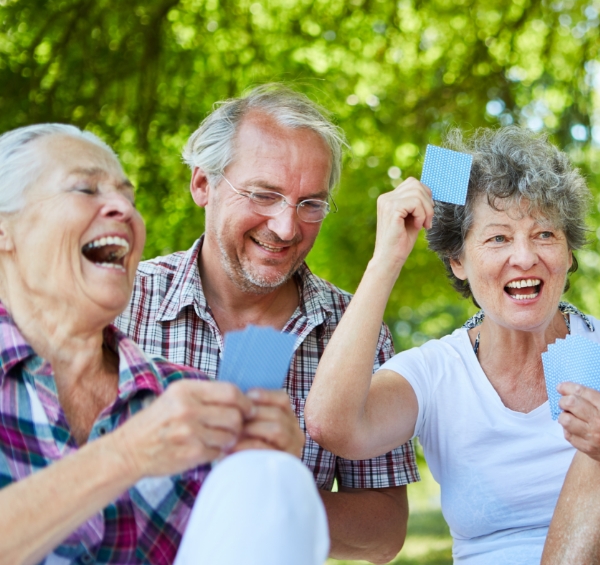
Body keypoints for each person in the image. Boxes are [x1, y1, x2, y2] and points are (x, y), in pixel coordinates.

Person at [304, 126, 600, 564]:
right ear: (458, 261)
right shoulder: (435, 371)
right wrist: (387, 258)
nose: (524, 256)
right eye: (498, 237)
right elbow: (332, 426)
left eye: (545, 234)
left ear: (570, 253)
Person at [113, 85, 418, 563]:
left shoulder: (353, 330)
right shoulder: (123, 304)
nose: (285, 227)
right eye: (263, 195)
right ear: (202, 185)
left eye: (310, 204)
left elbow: (385, 531)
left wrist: (275, 492)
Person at [0, 123, 328, 565]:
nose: (122, 208)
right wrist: (126, 455)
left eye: (128, 198)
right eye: (85, 189)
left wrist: (269, 483)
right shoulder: (162, 424)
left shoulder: (187, 403)